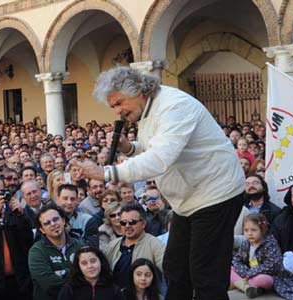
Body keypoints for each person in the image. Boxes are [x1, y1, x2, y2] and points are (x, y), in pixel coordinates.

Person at [71, 67, 245, 300]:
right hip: (189, 200)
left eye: (119, 102)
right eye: (113, 106)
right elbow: (157, 148)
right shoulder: (148, 110)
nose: (118, 111)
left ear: (139, 90)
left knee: (206, 273)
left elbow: (161, 158)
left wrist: (105, 173)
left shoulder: (174, 106)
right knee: (175, 266)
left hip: (215, 194)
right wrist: (131, 149)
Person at [231, 214, 293, 299]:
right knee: (229, 269)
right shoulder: (246, 244)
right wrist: (245, 271)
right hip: (248, 273)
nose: (250, 233)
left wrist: (252, 272)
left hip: (269, 275)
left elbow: (273, 264)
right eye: (246, 230)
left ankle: (241, 283)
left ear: (262, 230)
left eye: (254, 230)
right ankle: (247, 288)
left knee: (263, 280)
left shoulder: (270, 243)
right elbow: (237, 260)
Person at [28, 205, 85, 300]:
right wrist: (76, 275)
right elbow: (48, 283)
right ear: (42, 230)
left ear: (63, 221)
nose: (53, 224)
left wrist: (62, 273)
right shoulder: (36, 251)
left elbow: (90, 274)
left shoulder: (80, 246)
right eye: (47, 223)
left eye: (56, 219)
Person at [104, 204, 165, 289]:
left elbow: (168, 271)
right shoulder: (112, 246)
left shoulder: (156, 245)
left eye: (132, 222)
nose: (127, 226)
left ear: (143, 223)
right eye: (123, 223)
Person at [57, 246, 124, 300]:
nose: (90, 266)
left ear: (101, 262)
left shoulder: (113, 289)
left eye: (93, 261)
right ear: (78, 266)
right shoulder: (69, 289)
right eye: (84, 263)